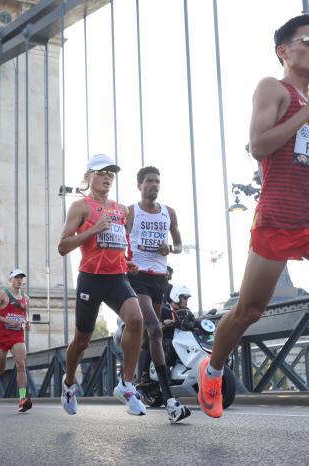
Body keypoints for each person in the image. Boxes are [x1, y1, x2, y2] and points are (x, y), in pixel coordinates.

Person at [196, 14, 309, 434]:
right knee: (249, 310)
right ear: (284, 50)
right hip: (277, 217)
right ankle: (213, 369)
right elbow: (259, 145)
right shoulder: (272, 88)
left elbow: (301, 156)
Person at [57, 154, 146, 416]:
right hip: (91, 279)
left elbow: (119, 243)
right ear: (88, 177)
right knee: (82, 340)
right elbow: (63, 246)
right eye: (101, 172)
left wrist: (127, 261)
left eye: (111, 173)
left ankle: (127, 385)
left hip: (117, 276)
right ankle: (69, 382)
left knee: (136, 319)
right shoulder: (80, 207)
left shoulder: (122, 210)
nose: (107, 176)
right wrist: (92, 230)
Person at [126, 166, 190, 423]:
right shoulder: (130, 212)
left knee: (145, 336)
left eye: (157, 181)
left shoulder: (169, 213)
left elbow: (179, 245)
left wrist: (170, 249)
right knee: (155, 329)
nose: (154, 185)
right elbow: (120, 240)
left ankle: (134, 380)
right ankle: (170, 400)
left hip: (160, 280)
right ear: (140, 185)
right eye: (149, 181)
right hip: (137, 276)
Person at [0, 269, 32, 413]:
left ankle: (22, 399)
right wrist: (8, 321)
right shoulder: (2, 295)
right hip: (2, 336)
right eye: (16, 277)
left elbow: (25, 314)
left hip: (17, 336)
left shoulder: (26, 298)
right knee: (0, 370)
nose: (19, 280)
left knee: (21, 363)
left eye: (21, 278)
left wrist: (27, 322)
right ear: (10, 279)